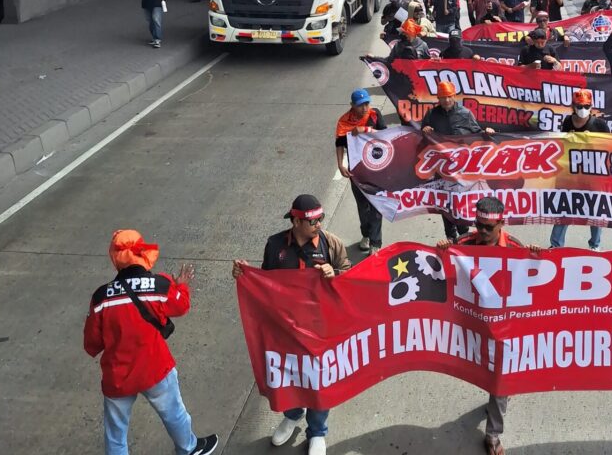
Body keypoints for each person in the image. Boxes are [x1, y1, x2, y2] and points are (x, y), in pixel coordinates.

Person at [232, 195, 351, 455]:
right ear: (296, 221)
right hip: (285, 329)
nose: (318, 224)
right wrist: (246, 275)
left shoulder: (332, 244)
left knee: (319, 379)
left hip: (320, 328)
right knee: (288, 374)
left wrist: (335, 274)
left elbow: (349, 277)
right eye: (312, 221)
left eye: (320, 219)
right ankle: (293, 415)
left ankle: (317, 431)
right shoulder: (275, 245)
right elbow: (266, 282)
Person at [84, 229, 219, 455]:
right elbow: (181, 306)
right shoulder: (159, 285)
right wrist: (181, 286)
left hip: (118, 377)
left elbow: (92, 343)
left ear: (115, 258)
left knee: (116, 433)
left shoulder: (101, 298)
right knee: (174, 413)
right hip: (155, 369)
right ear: (142, 254)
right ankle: (189, 449)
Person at [436, 197, 540, 455]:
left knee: (500, 380)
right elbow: (441, 271)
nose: (481, 231)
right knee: (483, 371)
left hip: (503, 325)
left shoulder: (515, 248)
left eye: (488, 227)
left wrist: (536, 258)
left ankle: (493, 435)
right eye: (478, 225)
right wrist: (441, 251)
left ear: (501, 224)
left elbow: (533, 281)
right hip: (473, 322)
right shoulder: (463, 243)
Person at [421, 81, 494, 241]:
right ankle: (450, 237)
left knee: (460, 202)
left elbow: (477, 134)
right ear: (438, 98)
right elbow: (422, 136)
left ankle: (463, 235)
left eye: (449, 96)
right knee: (445, 204)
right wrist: (425, 130)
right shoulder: (432, 115)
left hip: (461, 169)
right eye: (443, 97)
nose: (446, 100)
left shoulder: (465, 114)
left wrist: (487, 133)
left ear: (454, 96)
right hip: (442, 169)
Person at [550, 90, 609, 251]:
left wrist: (592, 141)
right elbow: (562, 146)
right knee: (564, 209)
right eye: (579, 106)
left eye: (586, 106)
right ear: (573, 106)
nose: (583, 109)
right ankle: (556, 245)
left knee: (595, 211)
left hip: (592, 175)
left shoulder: (600, 125)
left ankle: (595, 245)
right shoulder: (567, 121)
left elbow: (609, 148)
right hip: (570, 174)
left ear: (591, 106)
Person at [336, 89, 386, 253]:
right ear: (352, 105)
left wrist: (365, 130)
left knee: (376, 205)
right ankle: (366, 235)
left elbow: (386, 135)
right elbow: (339, 144)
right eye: (360, 105)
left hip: (376, 169)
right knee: (363, 206)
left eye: (366, 104)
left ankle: (375, 243)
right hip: (356, 171)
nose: (364, 108)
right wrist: (340, 165)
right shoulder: (343, 122)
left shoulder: (374, 115)